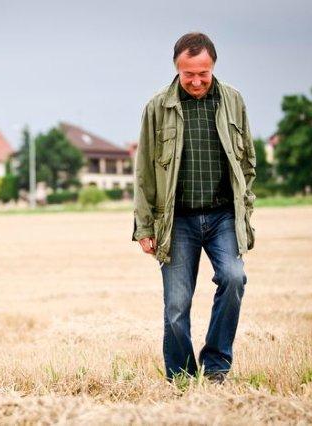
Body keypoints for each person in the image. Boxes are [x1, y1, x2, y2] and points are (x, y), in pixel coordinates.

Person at [132, 32, 256, 384]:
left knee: (234, 278)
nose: (197, 81)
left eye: (203, 73)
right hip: (177, 220)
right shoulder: (157, 107)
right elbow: (143, 172)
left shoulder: (233, 100)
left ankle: (216, 366)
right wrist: (144, 227)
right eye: (189, 74)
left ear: (213, 66)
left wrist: (245, 210)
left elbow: (248, 160)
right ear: (177, 68)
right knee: (176, 306)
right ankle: (182, 377)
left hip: (223, 216)